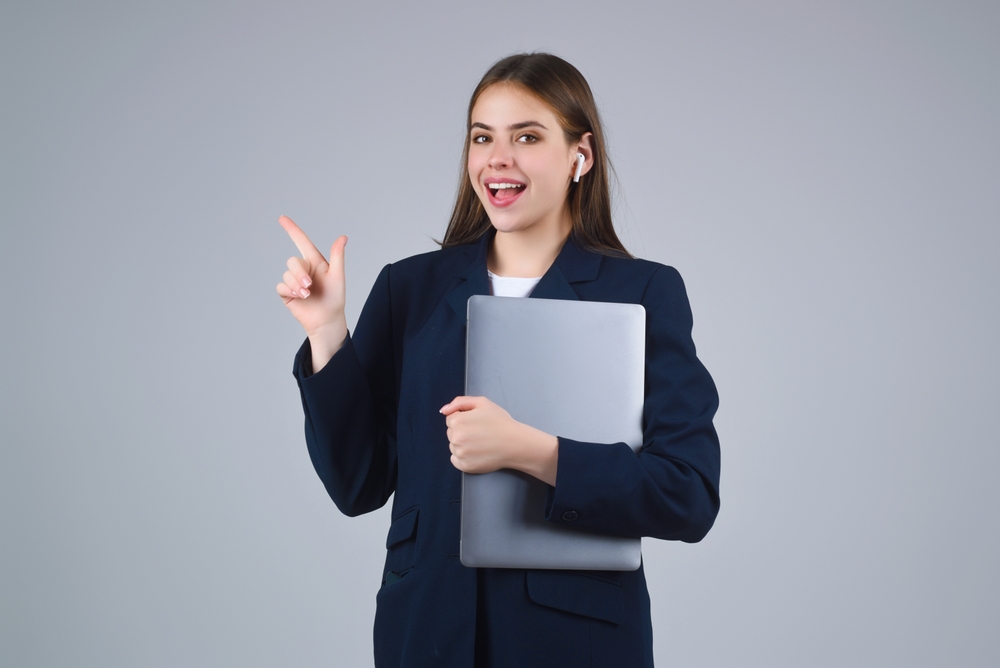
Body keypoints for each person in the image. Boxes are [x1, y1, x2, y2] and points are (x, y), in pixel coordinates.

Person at [276, 53, 720, 668]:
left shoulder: (643, 294)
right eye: (482, 137)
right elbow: (357, 484)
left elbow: (688, 494)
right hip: (425, 634)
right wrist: (327, 333)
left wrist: (533, 452)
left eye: (528, 137)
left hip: (576, 643)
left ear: (579, 156)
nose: (498, 158)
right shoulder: (410, 290)